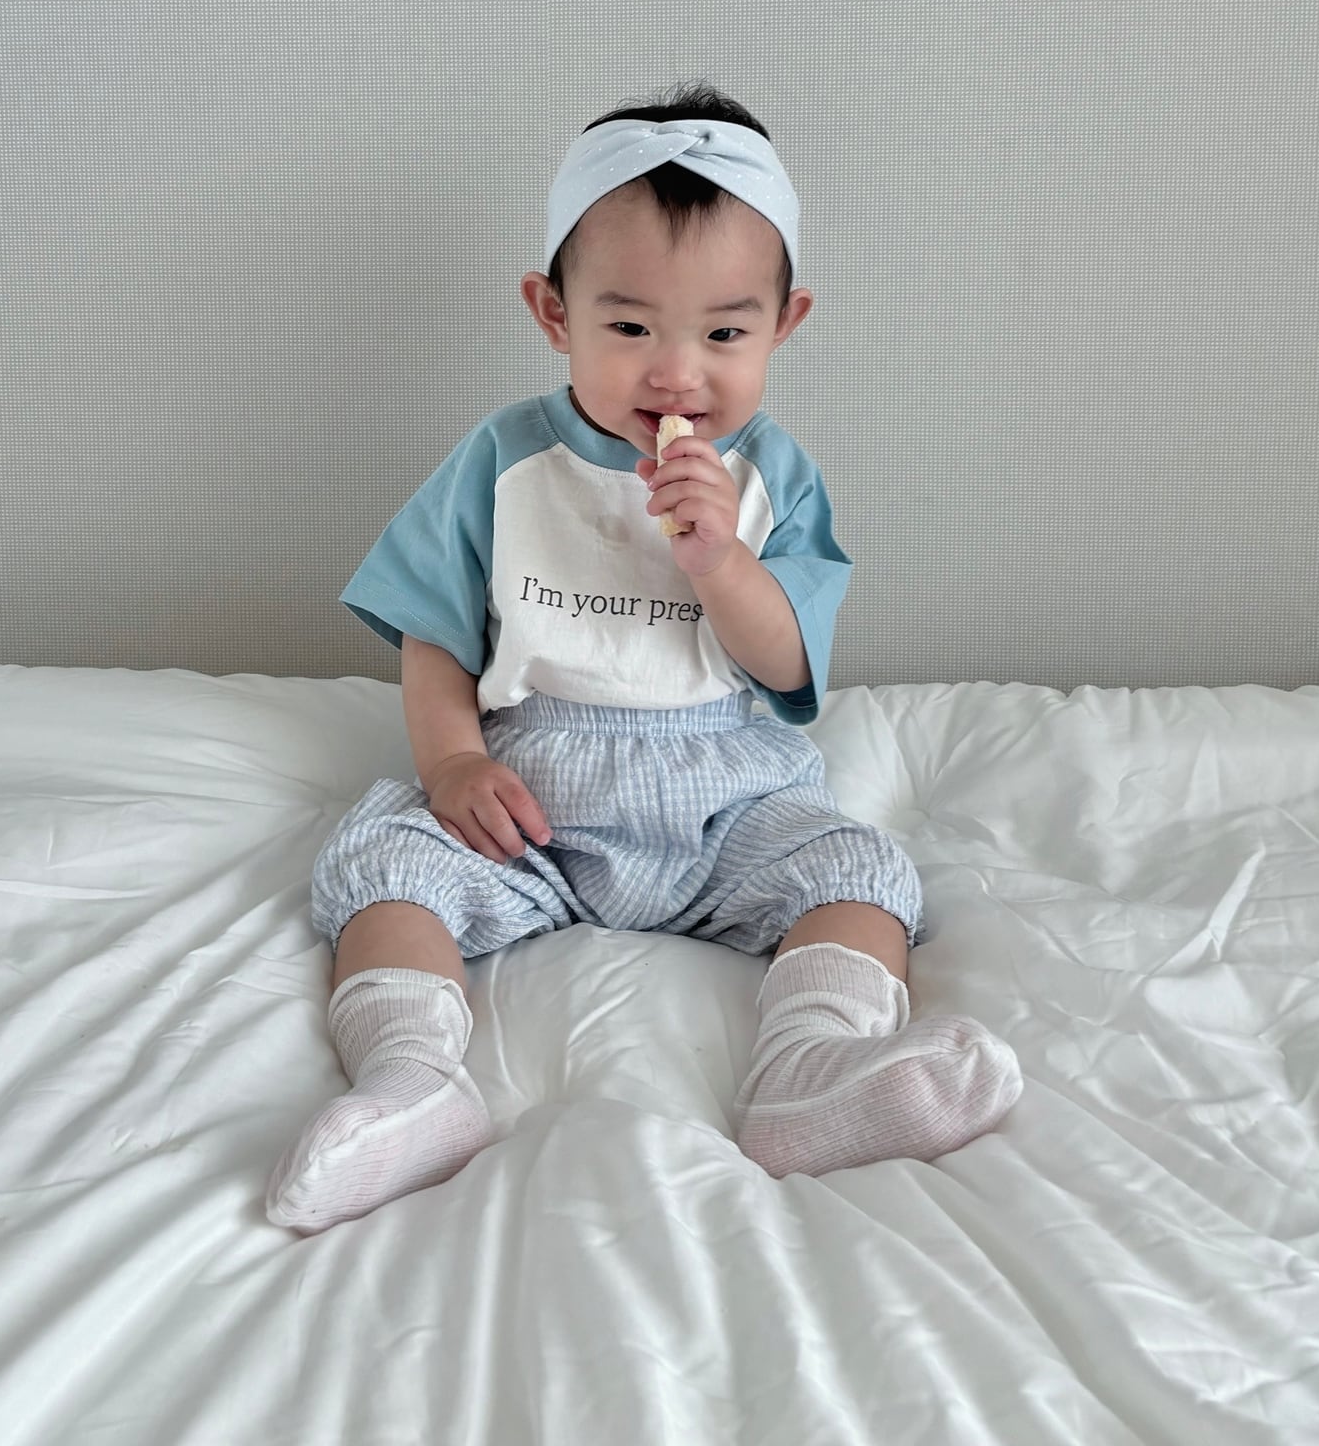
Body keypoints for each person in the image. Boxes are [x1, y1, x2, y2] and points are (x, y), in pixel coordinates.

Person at [266, 86, 1022, 1233]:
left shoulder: (773, 476)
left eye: (723, 333)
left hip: (726, 796)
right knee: (382, 867)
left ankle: (810, 1068)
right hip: (535, 800)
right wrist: (455, 763)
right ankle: (412, 1077)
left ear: (784, 323)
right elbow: (434, 635)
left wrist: (721, 558)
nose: (677, 373)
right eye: (629, 329)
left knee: (859, 873)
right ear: (553, 311)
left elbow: (784, 664)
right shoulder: (503, 462)